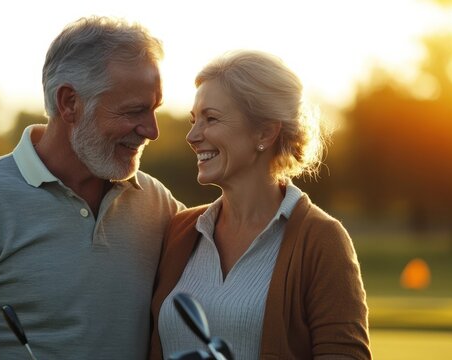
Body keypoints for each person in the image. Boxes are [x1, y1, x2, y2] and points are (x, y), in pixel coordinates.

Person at [0, 16, 184, 360]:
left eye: (153, 109)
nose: (151, 131)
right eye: (135, 111)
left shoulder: (159, 204)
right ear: (69, 103)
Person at [149, 50, 371, 359]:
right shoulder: (180, 231)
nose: (192, 135)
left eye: (210, 118)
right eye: (193, 120)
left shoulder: (321, 240)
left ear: (265, 132)